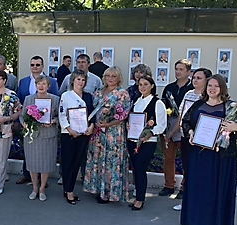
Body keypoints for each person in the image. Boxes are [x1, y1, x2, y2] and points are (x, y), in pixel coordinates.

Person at [181, 75, 237, 225]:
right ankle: (196, 221)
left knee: (216, 190)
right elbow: (186, 122)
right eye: (210, 85)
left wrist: (235, 127)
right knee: (199, 188)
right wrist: (190, 133)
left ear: (222, 88)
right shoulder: (198, 104)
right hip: (199, 156)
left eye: (216, 86)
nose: (212, 89)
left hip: (220, 157)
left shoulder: (231, 107)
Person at [83, 66, 131, 203]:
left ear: (119, 78)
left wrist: (108, 124)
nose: (110, 78)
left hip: (113, 133)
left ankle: (110, 192)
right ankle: (98, 188)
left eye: (113, 76)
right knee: (98, 159)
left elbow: (123, 114)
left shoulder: (122, 93)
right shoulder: (98, 92)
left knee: (111, 161)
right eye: (108, 76)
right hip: (98, 132)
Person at [170, 67, 212, 211]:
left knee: (201, 172)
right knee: (188, 170)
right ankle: (187, 202)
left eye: (199, 78)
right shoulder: (188, 94)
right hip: (185, 137)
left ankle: (201, 203)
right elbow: (181, 116)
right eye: (194, 77)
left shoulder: (209, 97)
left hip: (201, 140)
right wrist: (172, 132)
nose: (195, 80)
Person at [126, 75, 167, 210]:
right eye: (140, 85)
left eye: (146, 84)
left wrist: (150, 134)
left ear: (152, 86)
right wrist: (128, 125)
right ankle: (137, 195)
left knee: (140, 168)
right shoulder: (137, 101)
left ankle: (140, 199)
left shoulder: (157, 103)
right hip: (133, 140)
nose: (142, 87)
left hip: (147, 142)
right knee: (136, 169)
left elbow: (161, 125)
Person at [16, 56, 59, 184]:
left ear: (42, 66)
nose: (35, 67)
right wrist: (22, 122)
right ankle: (27, 175)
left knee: (45, 156)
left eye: (37, 64)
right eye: (32, 64)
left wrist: (51, 120)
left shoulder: (52, 81)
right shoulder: (23, 81)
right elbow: (20, 102)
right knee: (30, 155)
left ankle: (42, 181)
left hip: (46, 128)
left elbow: (55, 104)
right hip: (30, 127)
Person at [20, 75, 59, 201]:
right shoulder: (29, 98)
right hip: (32, 135)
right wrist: (24, 123)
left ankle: (42, 188)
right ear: (35, 85)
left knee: (45, 163)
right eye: (38, 84)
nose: (41, 86)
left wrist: (53, 121)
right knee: (32, 163)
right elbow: (22, 115)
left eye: (44, 84)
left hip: (48, 135)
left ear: (48, 86)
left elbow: (60, 116)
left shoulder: (55, 99)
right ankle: (35, 188)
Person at [59, 70, 95, 205]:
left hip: (83, 133)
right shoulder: (66, 95)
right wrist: (69, 130)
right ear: (72, 80)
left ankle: (70, 188)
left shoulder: (88, 96)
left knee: (77, 162)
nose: (81, 82)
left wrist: (91, 126)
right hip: (68, 133)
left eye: (83, 79)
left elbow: (92, 114)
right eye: (78, 79)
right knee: (68, 162)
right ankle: (68, 191)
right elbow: (62, 114)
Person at [159, 59, 193, 198]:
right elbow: (163, 106)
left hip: (185, 126)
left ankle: (184, 187)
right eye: (176, 69)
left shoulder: (192, 89)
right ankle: (169, 185)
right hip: (169, 123)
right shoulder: (169, 88)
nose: (178, 72)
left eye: (181, 69)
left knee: (185, 158)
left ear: (189, 72)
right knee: (168, 157)